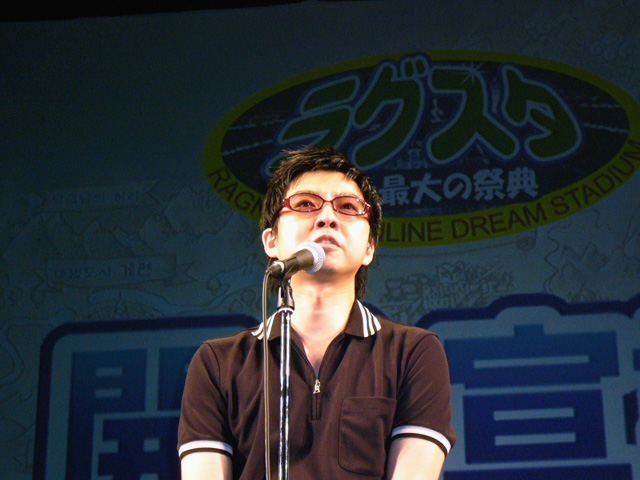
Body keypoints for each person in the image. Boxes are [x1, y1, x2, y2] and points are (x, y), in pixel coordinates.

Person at [178, 146, 456, 479]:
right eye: (306, 204)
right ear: (271, 241)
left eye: (348, 207)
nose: (327, 218)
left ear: (370, 248)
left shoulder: (412, 352)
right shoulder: (218, 363)